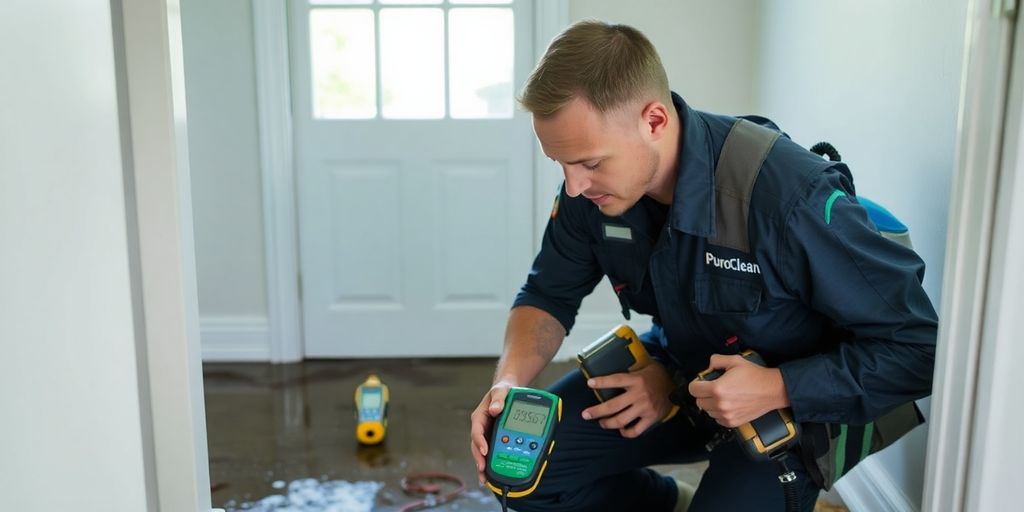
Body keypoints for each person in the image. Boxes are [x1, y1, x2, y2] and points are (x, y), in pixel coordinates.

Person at [469, 20, 937, 512]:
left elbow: (918, 349)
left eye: (589, 163)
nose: (574, 186)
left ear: (654, 121)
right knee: (518, 470)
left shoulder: (787, 197)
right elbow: (547, 294)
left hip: (796, 406)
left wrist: (779, 386)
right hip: (687, 366)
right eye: (561, 165)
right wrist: (508, 382)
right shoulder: (594, 192)